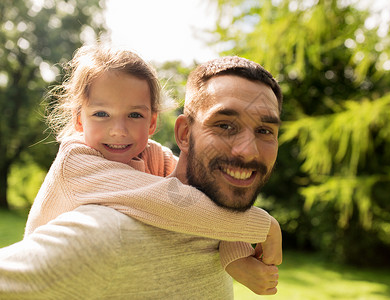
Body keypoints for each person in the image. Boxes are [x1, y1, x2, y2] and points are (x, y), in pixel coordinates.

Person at [0, 54, 283, 298]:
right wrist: (263, 226)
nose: (118, 130)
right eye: (101, 113)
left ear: (152, 122)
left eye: (134, 115)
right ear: (78, 119)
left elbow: (201, 190)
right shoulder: (78, 162)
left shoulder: (149, 155)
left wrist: (233, 253)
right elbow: (168, 203)